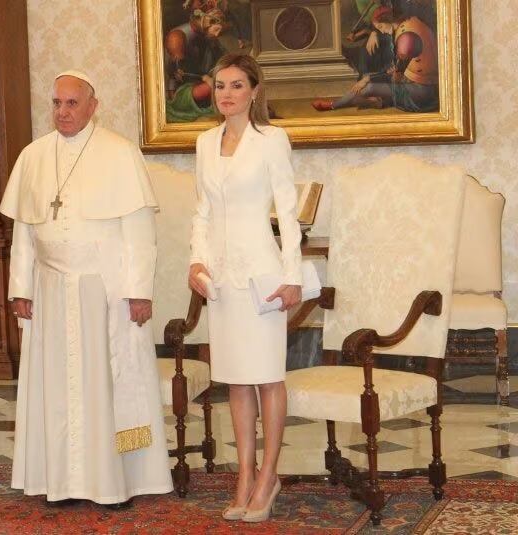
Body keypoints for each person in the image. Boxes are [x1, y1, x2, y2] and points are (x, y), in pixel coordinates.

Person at [0, 70, 173, 508]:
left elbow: (139, 233)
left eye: (72, 103)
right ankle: (60, 481)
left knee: (108, 387)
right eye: (57, 103)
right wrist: (20, 287)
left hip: (105, 293)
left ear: (93, 106)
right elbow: (24, 230)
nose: (63, 111)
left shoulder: (119, 153)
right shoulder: (33, 156)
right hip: (50, 289)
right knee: (56, 391)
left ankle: (115, 483)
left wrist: (139, 291)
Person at [188, 53, 302, 523]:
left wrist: (293, 276)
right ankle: (244, 475)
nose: (226, 95)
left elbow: (289, 212)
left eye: (237, 86)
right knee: (236, 379)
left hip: (263, 277)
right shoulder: (203, 143)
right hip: (222, 281)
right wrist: (196, 259)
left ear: (254, 91)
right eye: (219, 86)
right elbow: (201, 211)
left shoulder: (272, 140)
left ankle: (269, 474)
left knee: (268, 376)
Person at [312, 7, 438, 113]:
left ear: (388, 20)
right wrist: (372, 77)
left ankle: (332, 105)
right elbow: (399, 69)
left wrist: (369, 79)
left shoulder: (405, 38)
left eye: (381, 26)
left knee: (369, 88)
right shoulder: (410, 23)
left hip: (420, 93)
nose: (381, 31)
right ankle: (377, 101)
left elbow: (397, 75)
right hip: (421, 85)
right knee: (370, 82)